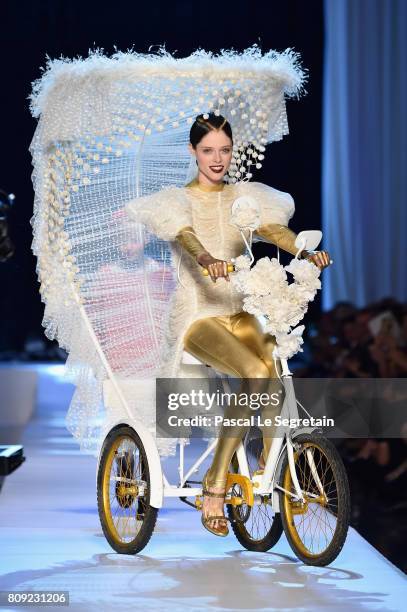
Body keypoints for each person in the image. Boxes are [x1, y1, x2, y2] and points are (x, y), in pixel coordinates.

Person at [126, 112, 332, 536]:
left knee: (276, 366)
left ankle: (269, 467)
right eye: (207, 151)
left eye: (223, 150)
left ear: (232, 151)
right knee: (255, 372)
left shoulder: (245, 195)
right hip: (198, 315)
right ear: (193, 152)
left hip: (240, 312)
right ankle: (215, 488)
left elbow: (273, 229)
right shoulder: (177, 201)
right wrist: (207, 260)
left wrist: (304, 252)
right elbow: (187, 237)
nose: (216, 159)